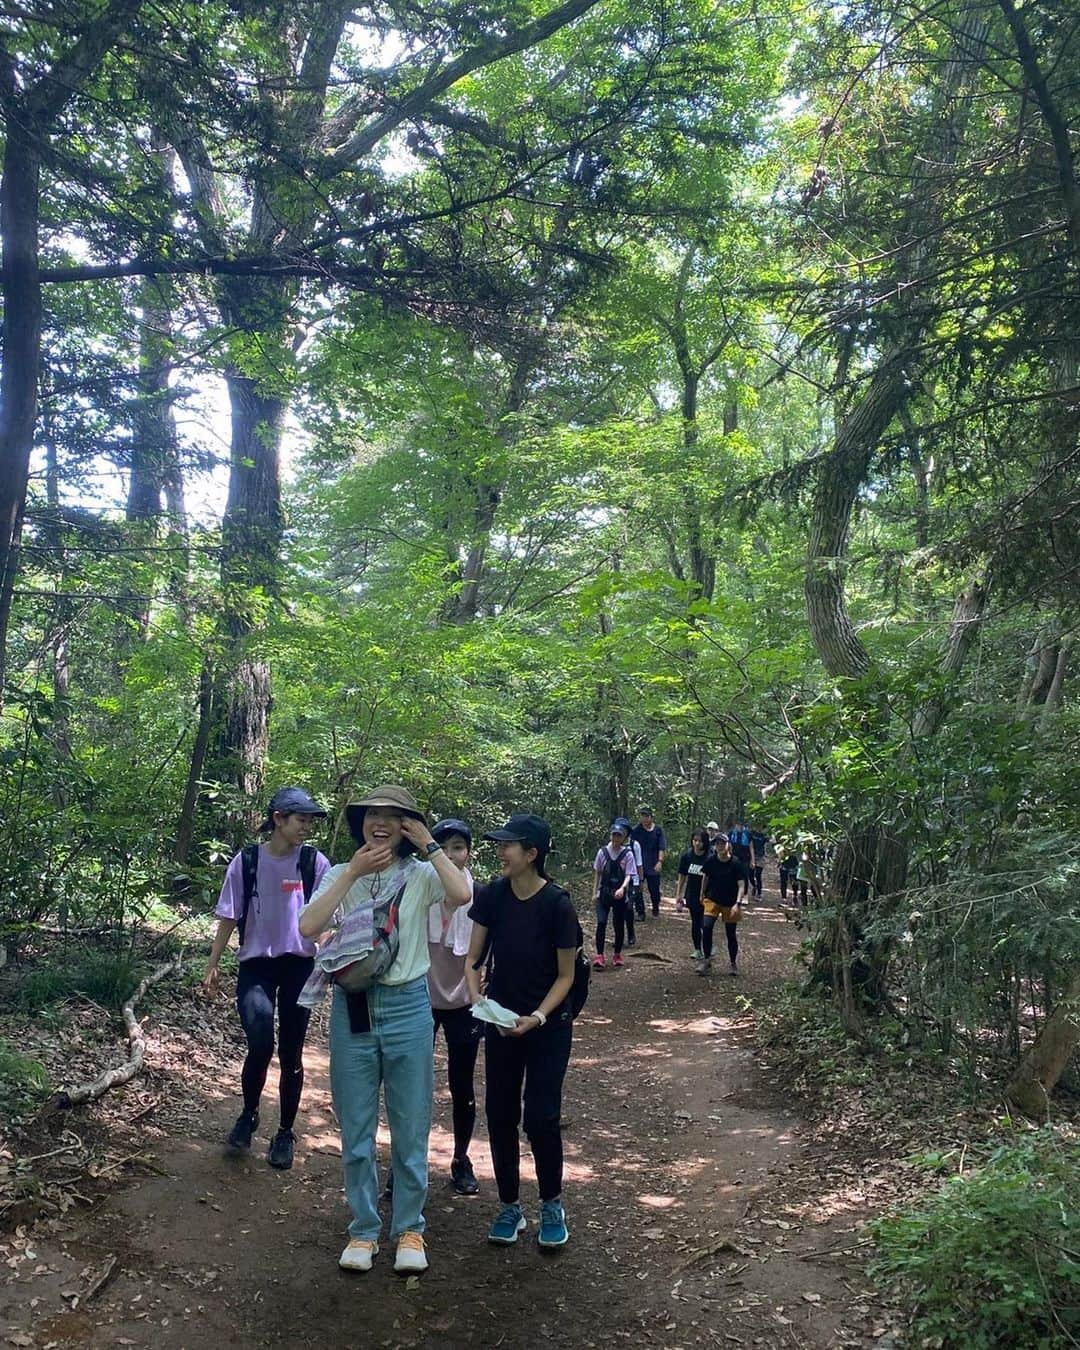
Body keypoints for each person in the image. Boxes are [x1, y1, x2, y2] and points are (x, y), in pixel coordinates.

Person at [298, 785, 471, 1276]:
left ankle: (410, 1227)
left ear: (407, 826)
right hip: (352, 1008)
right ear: (361, 823)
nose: (380, 822)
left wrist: (430, 845)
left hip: (408, 1006)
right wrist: (353, 870)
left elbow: (461, 894)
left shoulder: (420, 875)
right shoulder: (338, 873)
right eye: (373, 814)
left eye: (393, 816)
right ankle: (363, 1229)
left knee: (410, 1123)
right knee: (356, 1128)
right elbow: (309, 926)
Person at [203, 786, 331, 1171]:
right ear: (278, 818)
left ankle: (285, 1132)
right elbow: (229, 915)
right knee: (259, 1044)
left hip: (299, 967)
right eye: (300, 820)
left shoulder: (314, 863)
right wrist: (212, 964)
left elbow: (325, 919)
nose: (306, 827)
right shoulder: (246, 862)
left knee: (291, 1052)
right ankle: (248, 1113)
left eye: (310, 821)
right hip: (256, 965)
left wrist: (332, 954)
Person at [466, 814, 578, 1251]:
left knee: (541, 1116)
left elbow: (566, 976)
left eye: (509, 845)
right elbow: (473, 956)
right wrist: (478, 998)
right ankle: (510, 1205)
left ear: (532, 853)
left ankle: (552, 1204)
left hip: (547, 1025)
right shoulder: (493, 895)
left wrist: (537, 1016)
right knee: (499, 1113)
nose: (501, 851)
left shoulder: (558, 905)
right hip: (500, 1021)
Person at [427, 817, 482, 1196]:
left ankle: (461, 1158)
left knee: (462, 1086)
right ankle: (407, 1162)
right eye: (443, 847)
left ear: (468, 853)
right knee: (412, 1087)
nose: (451, 855)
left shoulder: (480, 898)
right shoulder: (419, 889)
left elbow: (485, 954)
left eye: (458, 848)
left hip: (464, 1002)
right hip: (420, 1000)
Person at [591, 820, 638, 970]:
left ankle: (617, 954)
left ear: (623, 838)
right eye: (614, 835)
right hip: (604, 893)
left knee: (618, 924)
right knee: (602, 922)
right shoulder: (602, 852)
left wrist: (623, 888)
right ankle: (599, 955)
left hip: (619, 894)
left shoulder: (627, 854)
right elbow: (597, 872)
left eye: (619, 836)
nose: (616, 838)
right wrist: (595, 892)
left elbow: (629, 874)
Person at [700, 832, 749, 976]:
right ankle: (706, 960)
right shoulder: (711, 861)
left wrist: (738, 903)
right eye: (717, 844)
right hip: (712, 899)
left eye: (722, 843)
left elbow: (741, 885)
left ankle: (733, 963)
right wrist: (701, 894)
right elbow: (705, 877)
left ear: (728, 845)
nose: (720, 846)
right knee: (707, 926)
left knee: (731, 933)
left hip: (730, 902)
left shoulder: (736, 863)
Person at [674, 828, 710, 961]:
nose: (697, 844)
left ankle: (708, 946)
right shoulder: (687, 856)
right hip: (692, 894)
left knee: (705, 924)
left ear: (705, 842)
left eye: (700, 841)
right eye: (695, 840)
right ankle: (697, 949)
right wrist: (679, 894)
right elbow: (682, 875)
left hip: (707, 895)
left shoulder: (710, 856)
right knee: (695, 922)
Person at [631, 806, 667, 917]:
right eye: (642, 816)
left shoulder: (658, 830)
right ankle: (640, 912)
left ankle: (655, 907)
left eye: (646, 816)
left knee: (654, 890)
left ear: (651, 817)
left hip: (653, 864)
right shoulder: (636, 830)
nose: (644, 819)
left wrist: (660, 861)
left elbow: (661, 847)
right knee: (638, 888)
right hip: (639, 864)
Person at [749, 826, 768, 899]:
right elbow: (750, 845)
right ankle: (754, 886)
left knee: (758, 875)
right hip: (751, 856)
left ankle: (759, 893)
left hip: (760, 857)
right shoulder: (752, 834)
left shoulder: (764, 836)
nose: (759, 828)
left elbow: (772, 841)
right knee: (750, 875)